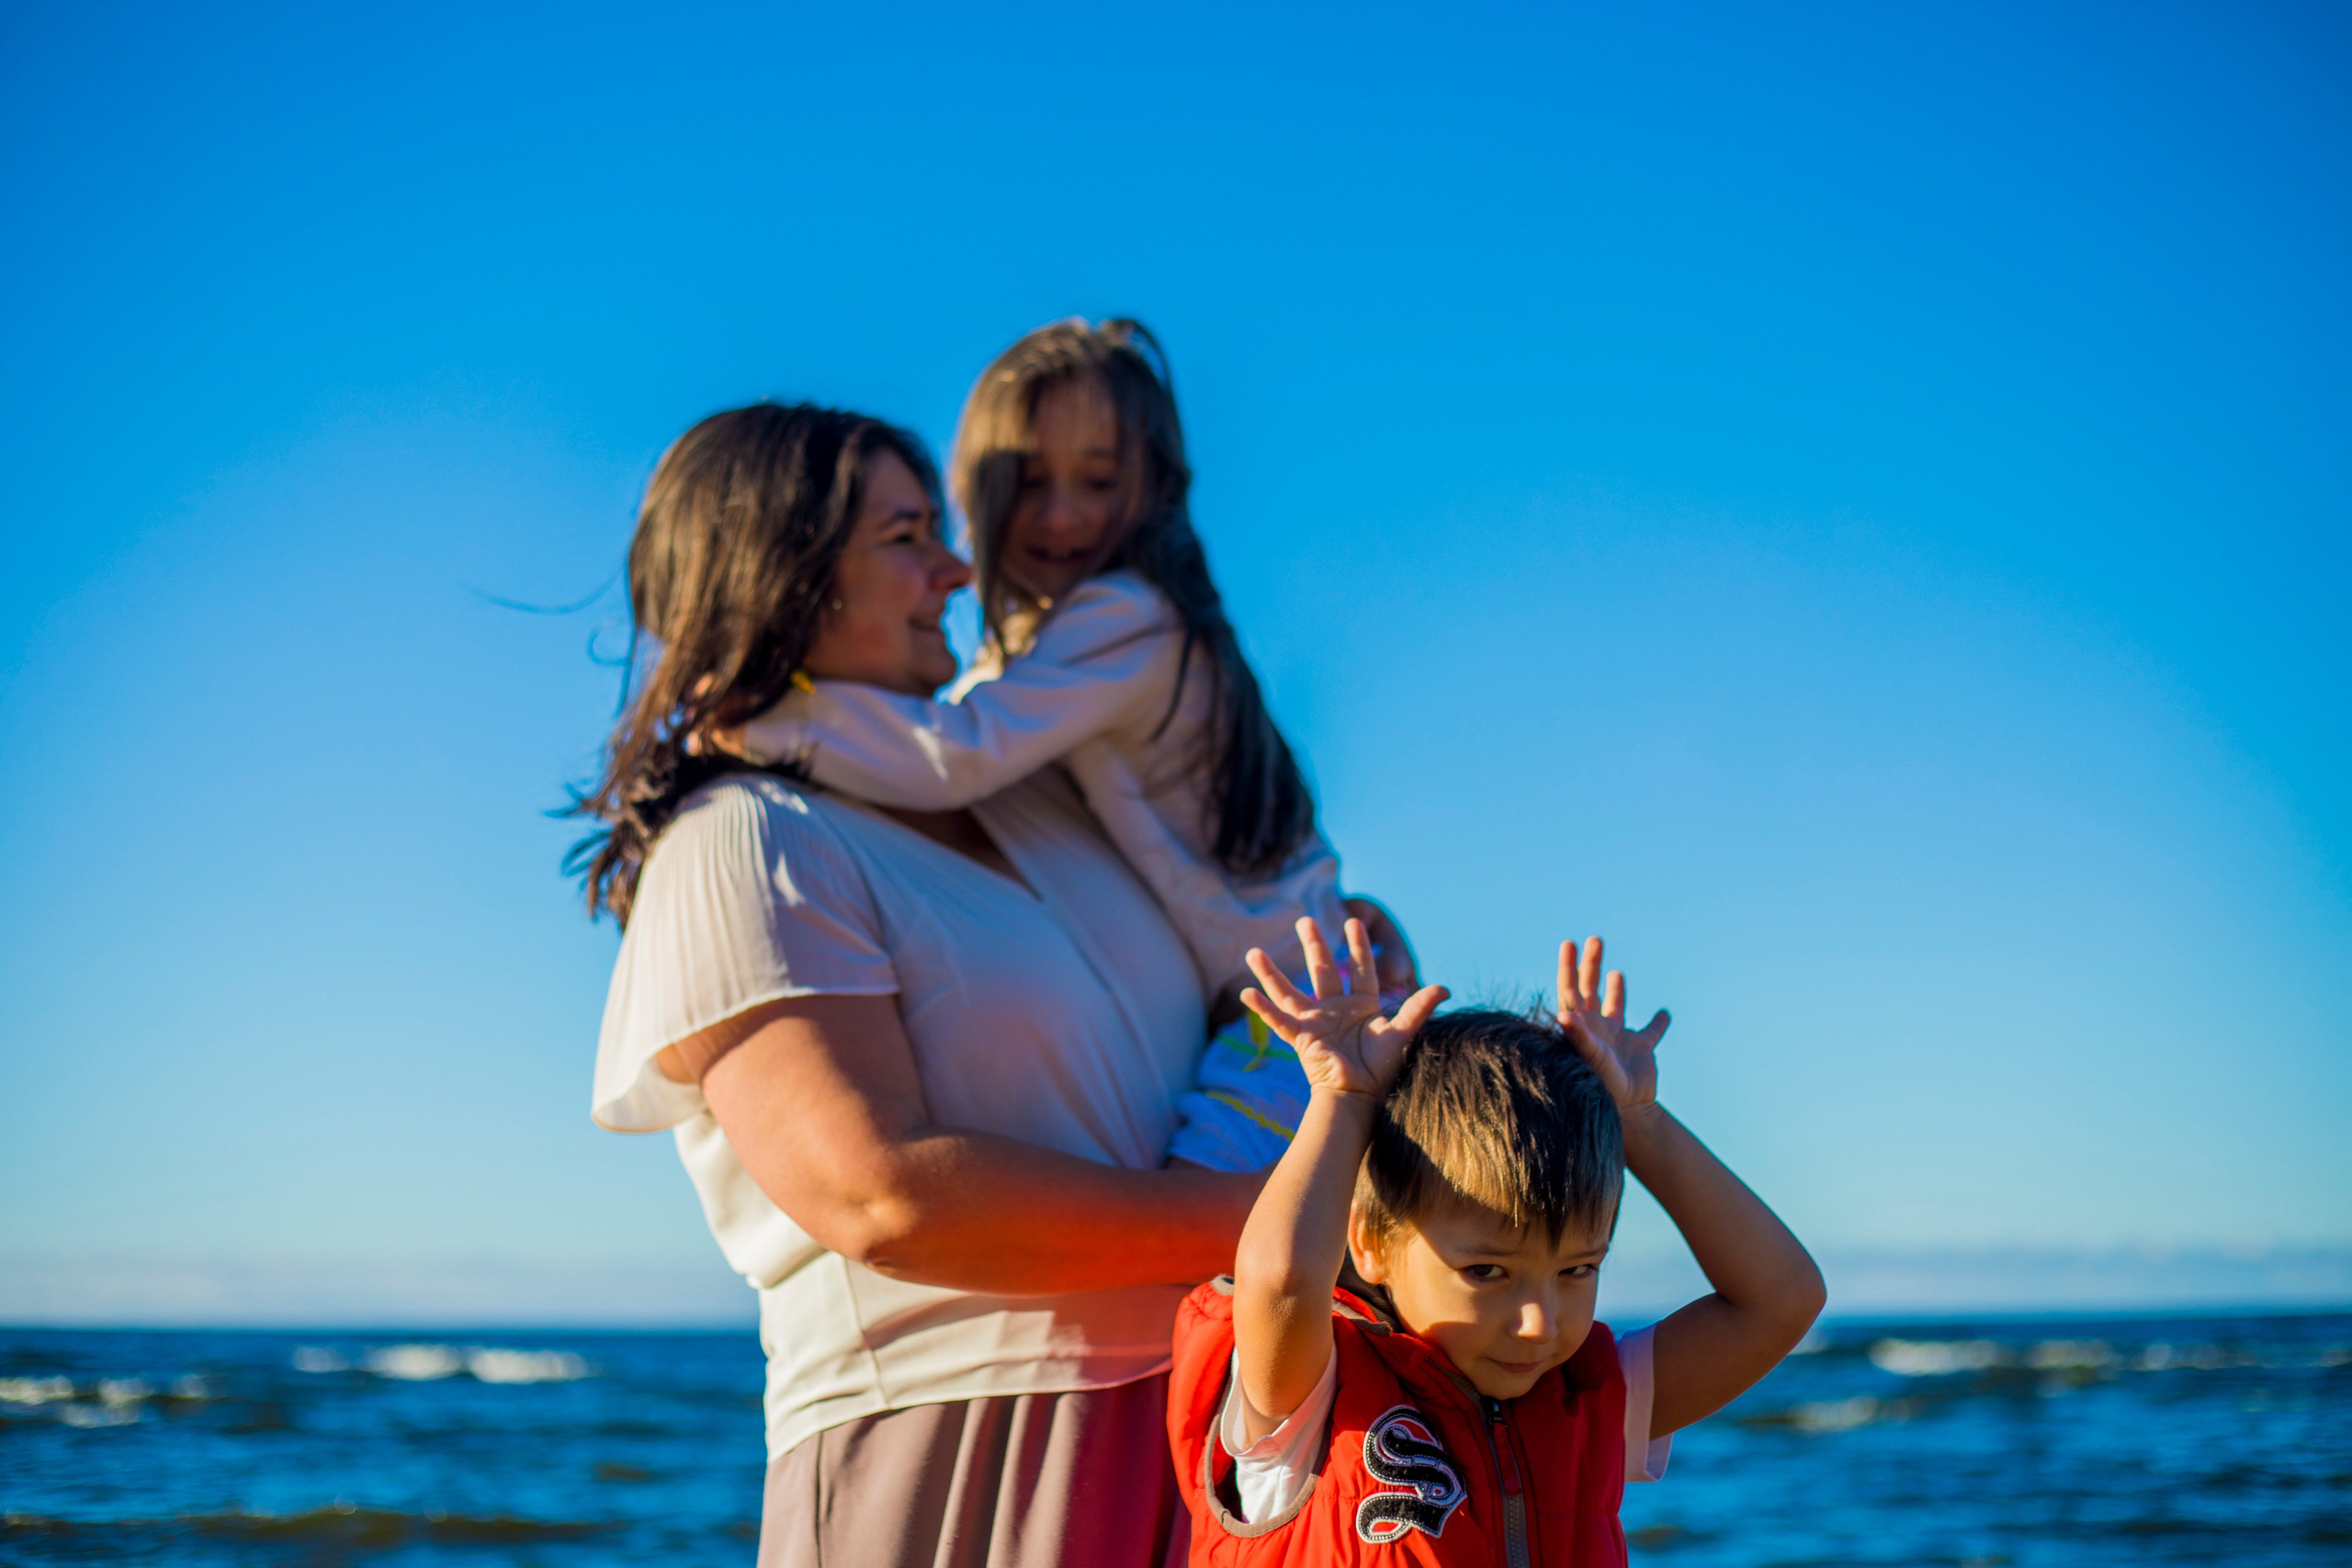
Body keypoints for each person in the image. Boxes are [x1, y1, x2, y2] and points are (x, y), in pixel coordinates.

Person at [575, 401, 1264, 1567]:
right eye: (905, 537)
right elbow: (879, 1193)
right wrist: (1276, 1225)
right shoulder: (744, 837)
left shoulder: (1044, 798)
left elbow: (1228, 971)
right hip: (963, 1431)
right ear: (781, 572)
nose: (955, 567)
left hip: (1210, 1410)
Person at [728, 319, 1408, 1172]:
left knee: (1214, 1244)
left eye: (1098, 480)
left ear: (1152, 489)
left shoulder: (1123, 615)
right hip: (1277, 1001)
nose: (1061, 514)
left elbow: (959, 752)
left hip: (1284, 1013)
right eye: (1027, 480)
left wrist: (757, 719)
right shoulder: (1065, 641)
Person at [1167, 921, 1826, 1563]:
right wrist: (1344, 1096)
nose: (1539, 1323)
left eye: (1577, 1270)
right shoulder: (1309, 1396)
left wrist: (1640, 1120)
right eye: (1487, 1270)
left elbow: (1783, 1299)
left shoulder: (1587, 1400)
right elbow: (1280, 1281)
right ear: (1368, 1241)